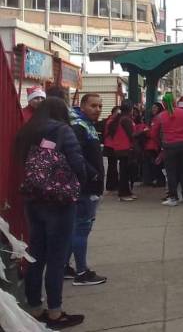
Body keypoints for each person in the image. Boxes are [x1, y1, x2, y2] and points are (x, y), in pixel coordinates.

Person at [14, 97, 88, 329]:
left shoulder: (27, 130)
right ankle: (55, 312)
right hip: (59, 201)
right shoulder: (62, 130)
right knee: (57, 258)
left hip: (32, 199)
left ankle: (34, 308)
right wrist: (81, 183)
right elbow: (77, 163)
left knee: (36, 253)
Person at [65, 93, 108, 286]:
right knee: (81, 228)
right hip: (85, 188)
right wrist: (93, 174)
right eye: (93, 106)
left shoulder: (85, 125)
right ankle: (81, 272)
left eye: (99, 106)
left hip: (87, 186)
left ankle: (65, 266)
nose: (97, 110)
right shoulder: (79, 127)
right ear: (82, 106)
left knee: (75, 228)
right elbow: (76, 156)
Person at [151, 92, 183, 206]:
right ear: (174, 102)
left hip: (169, 146)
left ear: (164, 103)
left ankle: (173, 198)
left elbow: (153, 134)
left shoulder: (161, 116)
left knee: (171, 172)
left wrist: (160, 143)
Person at [105, 101, 136, 201]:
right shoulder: (126, 119)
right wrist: (142, 132)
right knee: (125, 172)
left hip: (120, 148)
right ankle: (124, 193)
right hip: (126, 148)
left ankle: (126, 192)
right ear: (130, 110)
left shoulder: (119, 119)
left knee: (124, 171)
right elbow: (131, 135)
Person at [140, 103, 164, 186]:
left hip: (155, 144)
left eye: (155, 107)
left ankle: (160, 180)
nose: (153, 109)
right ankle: (158, 179)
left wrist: (146, 132)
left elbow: (154, 133)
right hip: (153, 144)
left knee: (156, 163)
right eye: (152, 107)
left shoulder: (157, 118)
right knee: (154, 163)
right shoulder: (155, 118)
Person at [102, 106, 120, 193]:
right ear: (113, 113)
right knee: (112, 166)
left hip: (110, 145)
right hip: (111, 146)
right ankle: (112, 185)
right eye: (117, 113)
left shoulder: (109, 121)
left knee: (112, 165)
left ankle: (112, 184)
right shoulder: (111, 122)